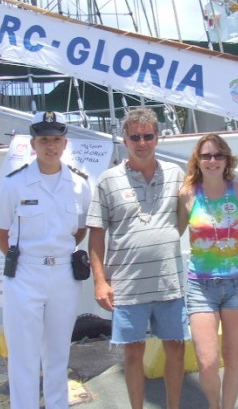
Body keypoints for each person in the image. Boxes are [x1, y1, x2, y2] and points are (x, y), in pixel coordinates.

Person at [86, 107, 189, 409]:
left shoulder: (175, 174)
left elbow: (187, 217)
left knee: (177, 348)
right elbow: (96, 235)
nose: (142, 142)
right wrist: (100, 282)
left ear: (158, 137)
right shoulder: (107, 181)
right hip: (128, 285)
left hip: (169, 281)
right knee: (132, 354)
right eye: (135, 137)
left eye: (148, 136)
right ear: (124, 139)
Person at [0, 111, 91, 409]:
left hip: (63, 275)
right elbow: (0, 232)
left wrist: (56, 254)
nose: (51, 146)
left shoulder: (79, 184)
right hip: (25, 275)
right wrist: (25, 263)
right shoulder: (15, 184)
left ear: (65, 143)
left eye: (56, 140)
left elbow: (81, 229)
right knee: (24, 355)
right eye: (44, 140)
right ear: (33, 144)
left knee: (59, 353)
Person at [177, 134, 238, 409]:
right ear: (197, 160)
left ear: (227, 159)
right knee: (207, 362)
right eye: (206, 156)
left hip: (237, 284)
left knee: (233, 357)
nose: (212, 161)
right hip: (200, 287)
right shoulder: (188, 194)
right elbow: (172, 233)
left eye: (218, 155)